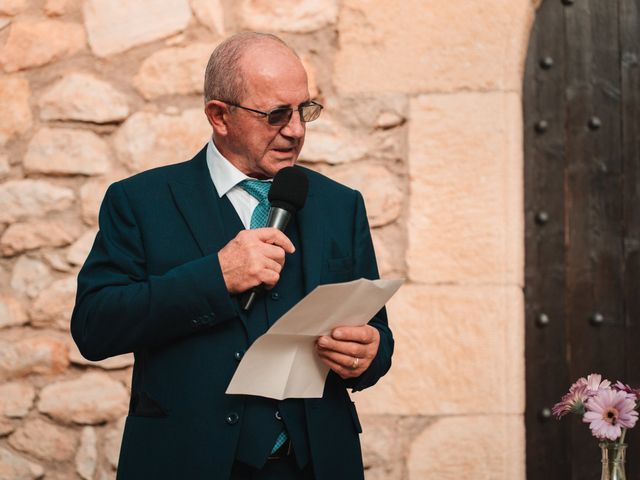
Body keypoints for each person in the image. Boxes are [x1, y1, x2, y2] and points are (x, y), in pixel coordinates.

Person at [71, 32, 393, 480]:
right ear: (219, 116)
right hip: (187, 462)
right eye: (277, 114)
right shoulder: (140, 201)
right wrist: (215, 277)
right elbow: (94, 326)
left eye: (305, 110)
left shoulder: (342, 205)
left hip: (316, 465)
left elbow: (376, 335)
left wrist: (369, 353)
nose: (296, 129)